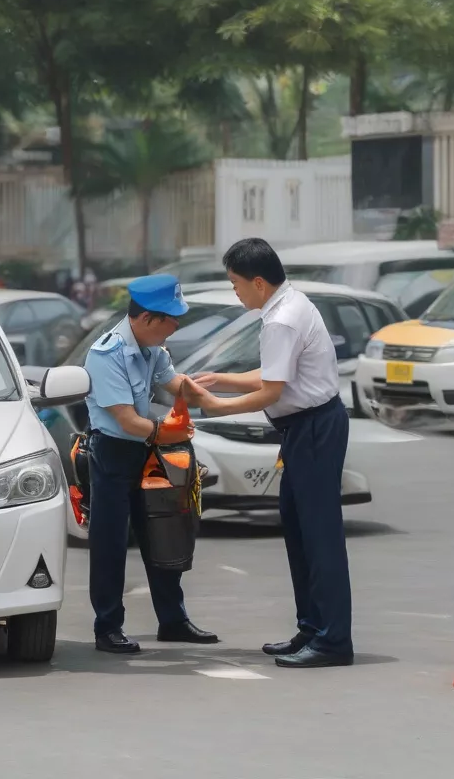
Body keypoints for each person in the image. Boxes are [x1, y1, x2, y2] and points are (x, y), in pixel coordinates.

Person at [182, 238, 353, 668]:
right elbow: (277, 372)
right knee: (298, 531)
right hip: (306, 428)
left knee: (319, 537)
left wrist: (216, 407)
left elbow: (273, 390)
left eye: (236, 283)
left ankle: (332, 640)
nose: (234, 291)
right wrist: (224, 378)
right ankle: (312, 628)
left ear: (258, 282)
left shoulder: (282, 320)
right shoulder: (286, 306)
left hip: (313, 427)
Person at [84, 273, 218, 654]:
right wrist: (168, 433)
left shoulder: (152, 348)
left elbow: (173, 383)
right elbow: (127, 420)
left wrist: (214, 396)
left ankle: (172, 620)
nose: (176, 326)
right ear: (146, 319)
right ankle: (107, 626)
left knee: (164, 531)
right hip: (112, 452)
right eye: (170, 319)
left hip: (146, 450)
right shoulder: (106, 354)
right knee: (110, 542)